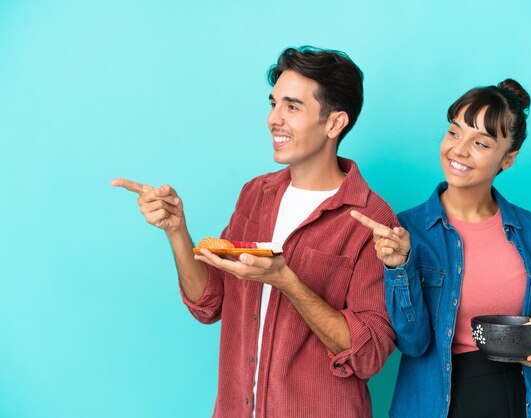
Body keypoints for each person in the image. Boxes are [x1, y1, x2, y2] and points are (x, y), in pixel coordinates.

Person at [112, 46, 396, 418]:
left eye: (292, 107)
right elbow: (210, 301)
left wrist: (287, 282)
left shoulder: (371, 218)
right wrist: (177, 231)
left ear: (334, 123)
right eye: (273, 103)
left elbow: (368, 355)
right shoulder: (255, 194)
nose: (273, 119)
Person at [352, 79, 531, 418]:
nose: (459, 149)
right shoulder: (406, 231)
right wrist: (400, 269)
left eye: (481, 143)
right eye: (455, 132)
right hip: (444, 401)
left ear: (508, 159)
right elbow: (412, 343)